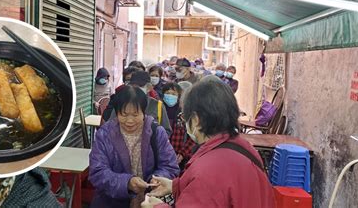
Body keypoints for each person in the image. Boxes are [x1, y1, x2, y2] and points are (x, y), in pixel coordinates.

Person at [144, 79, 276, 208]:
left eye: (184, 117)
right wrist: (175, 186)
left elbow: (209, 185)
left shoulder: (207, 170)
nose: (184, 122)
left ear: (196, 120)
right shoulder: (243, 147)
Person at [89, 85, 180, 207]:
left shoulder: (157, 132)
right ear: (116, 114)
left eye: (135, 115)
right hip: (111, 202)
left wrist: (157, 179)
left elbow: (170, 166)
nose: (130, 121)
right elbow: (97, 172)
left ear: (144, 112)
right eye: (124, 115)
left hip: (150, 201)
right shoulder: (105, 134)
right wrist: (127, 183)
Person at [109, 71, 172, 135]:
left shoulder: (157, 105)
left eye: (140, 86)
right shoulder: (121, 103)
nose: (137, 89)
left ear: (149, 88)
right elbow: (110, 127)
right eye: (134, 86)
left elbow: (167, 131)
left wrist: (153, 138)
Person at [161, 83, 196, 169]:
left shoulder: (184, 114)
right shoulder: (158, 110)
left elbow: (193, 136)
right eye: (168, 93)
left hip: (179, 156)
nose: (170, 96)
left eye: (173, 94)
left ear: (179, 96)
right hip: (160, 154)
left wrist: (182, 153)